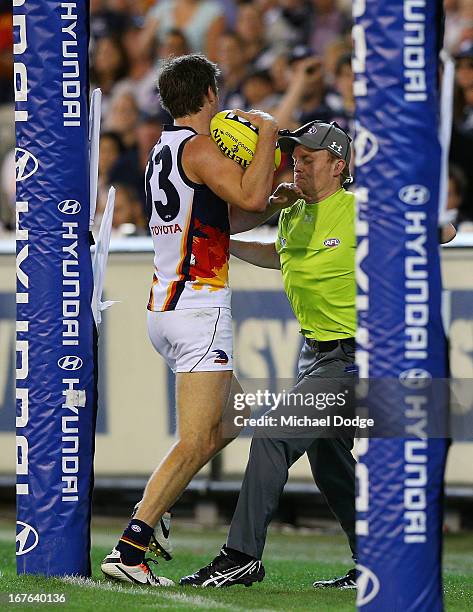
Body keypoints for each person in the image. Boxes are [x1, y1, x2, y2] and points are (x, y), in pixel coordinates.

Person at [101, 54, 281, 587]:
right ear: (208, 95)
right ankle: (131, 547)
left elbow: (229, 215)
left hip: (168, 305)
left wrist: (276, 201)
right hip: (198, 309)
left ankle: (156, 506)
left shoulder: (166, 148)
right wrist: (268, 131)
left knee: (233, 420)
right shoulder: (202, 147)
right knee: (196, 437)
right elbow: (248, 193)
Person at [180, 120, 359, 589]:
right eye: (295, 158)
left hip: (355, 358)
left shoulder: (361, 211)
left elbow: (439, 232)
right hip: (315, 355)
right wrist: (218, 240)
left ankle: (240, 555)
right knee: (330, 463)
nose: (296, 166)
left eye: (309, 159)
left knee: (274, 434)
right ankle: (380, 559)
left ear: (338, 165)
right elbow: (275, 254)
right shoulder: (294, 212)